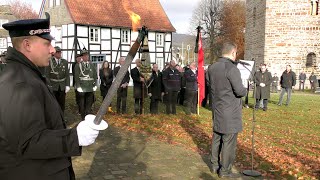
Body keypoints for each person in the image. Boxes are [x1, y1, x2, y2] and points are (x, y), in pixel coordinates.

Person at [0, 15, 101, 179]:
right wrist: (74, 137)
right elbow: (28, 143)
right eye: (47, 43)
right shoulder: (19, 83)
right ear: (27, 45)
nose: (53, 50)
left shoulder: (27, 74)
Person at [207, 42, 247, 178]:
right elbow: (240, 91)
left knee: (217, 138)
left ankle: (214, 165)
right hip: (230, 112)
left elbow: (210, 85)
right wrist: (246, 87)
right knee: (229, 142)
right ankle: (224, 171)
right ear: (233, 53)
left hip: (217, 108)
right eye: (236, 54)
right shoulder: (232, 68)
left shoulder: (212, 68)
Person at [74, 49, 97, 119]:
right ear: (82, 57)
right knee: (82, 104)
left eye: (87, 55)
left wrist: (95, 85)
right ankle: (83, 117)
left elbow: (95, 75)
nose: (86, 57)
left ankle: (88, 116)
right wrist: (78, 86)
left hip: (90, 87)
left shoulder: (92, 65)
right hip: (82, 87)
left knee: (89, 103)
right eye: (84, 56)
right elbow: (76, 76)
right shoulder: (78, 65)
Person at [46, 46, 70, 113]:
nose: (59, 54)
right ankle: (55, 116)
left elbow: (67, 75)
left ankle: (61, 116)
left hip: (62, 86)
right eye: (58, 52)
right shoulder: (49, 61)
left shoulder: (64, 62)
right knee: (53, 102)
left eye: (60, 52)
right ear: (54, 53)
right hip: (53, 86)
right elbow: (47, 75)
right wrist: (49, 85)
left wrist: (67, 85)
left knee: (62, 103)